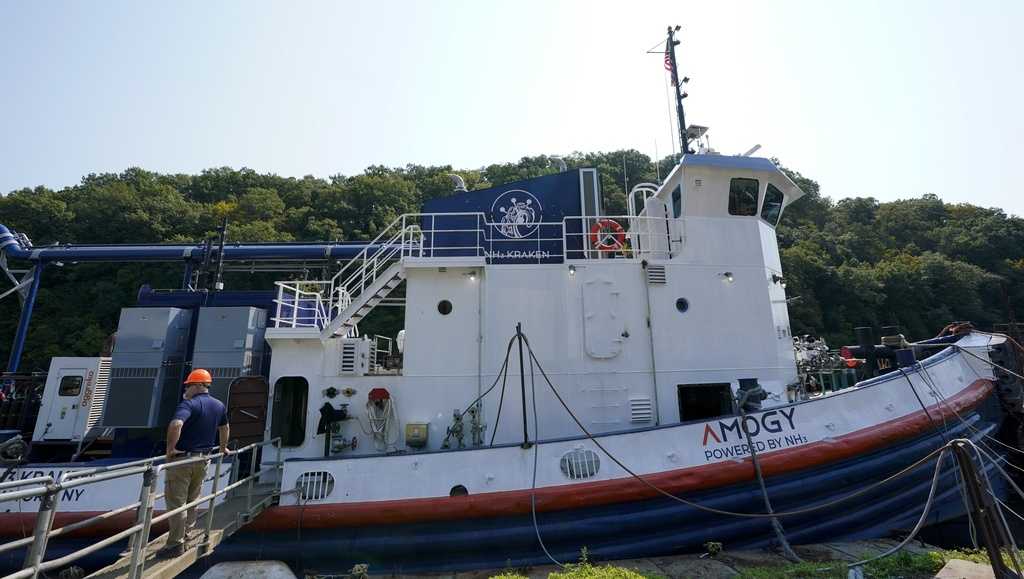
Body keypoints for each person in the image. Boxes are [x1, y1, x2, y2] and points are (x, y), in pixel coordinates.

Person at [158, 368, 229, 557]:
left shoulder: (188, 404)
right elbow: (225, 427)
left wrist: (170, 450)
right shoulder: (219, 405)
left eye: (188, 386)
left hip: (182, 461)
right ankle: (187, 535)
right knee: (193, 501)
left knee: (177, 503)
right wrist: (222, 449)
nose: (186, 389)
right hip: (203, 459)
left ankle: (174, 545)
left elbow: (176, 424)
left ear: (197, 386)